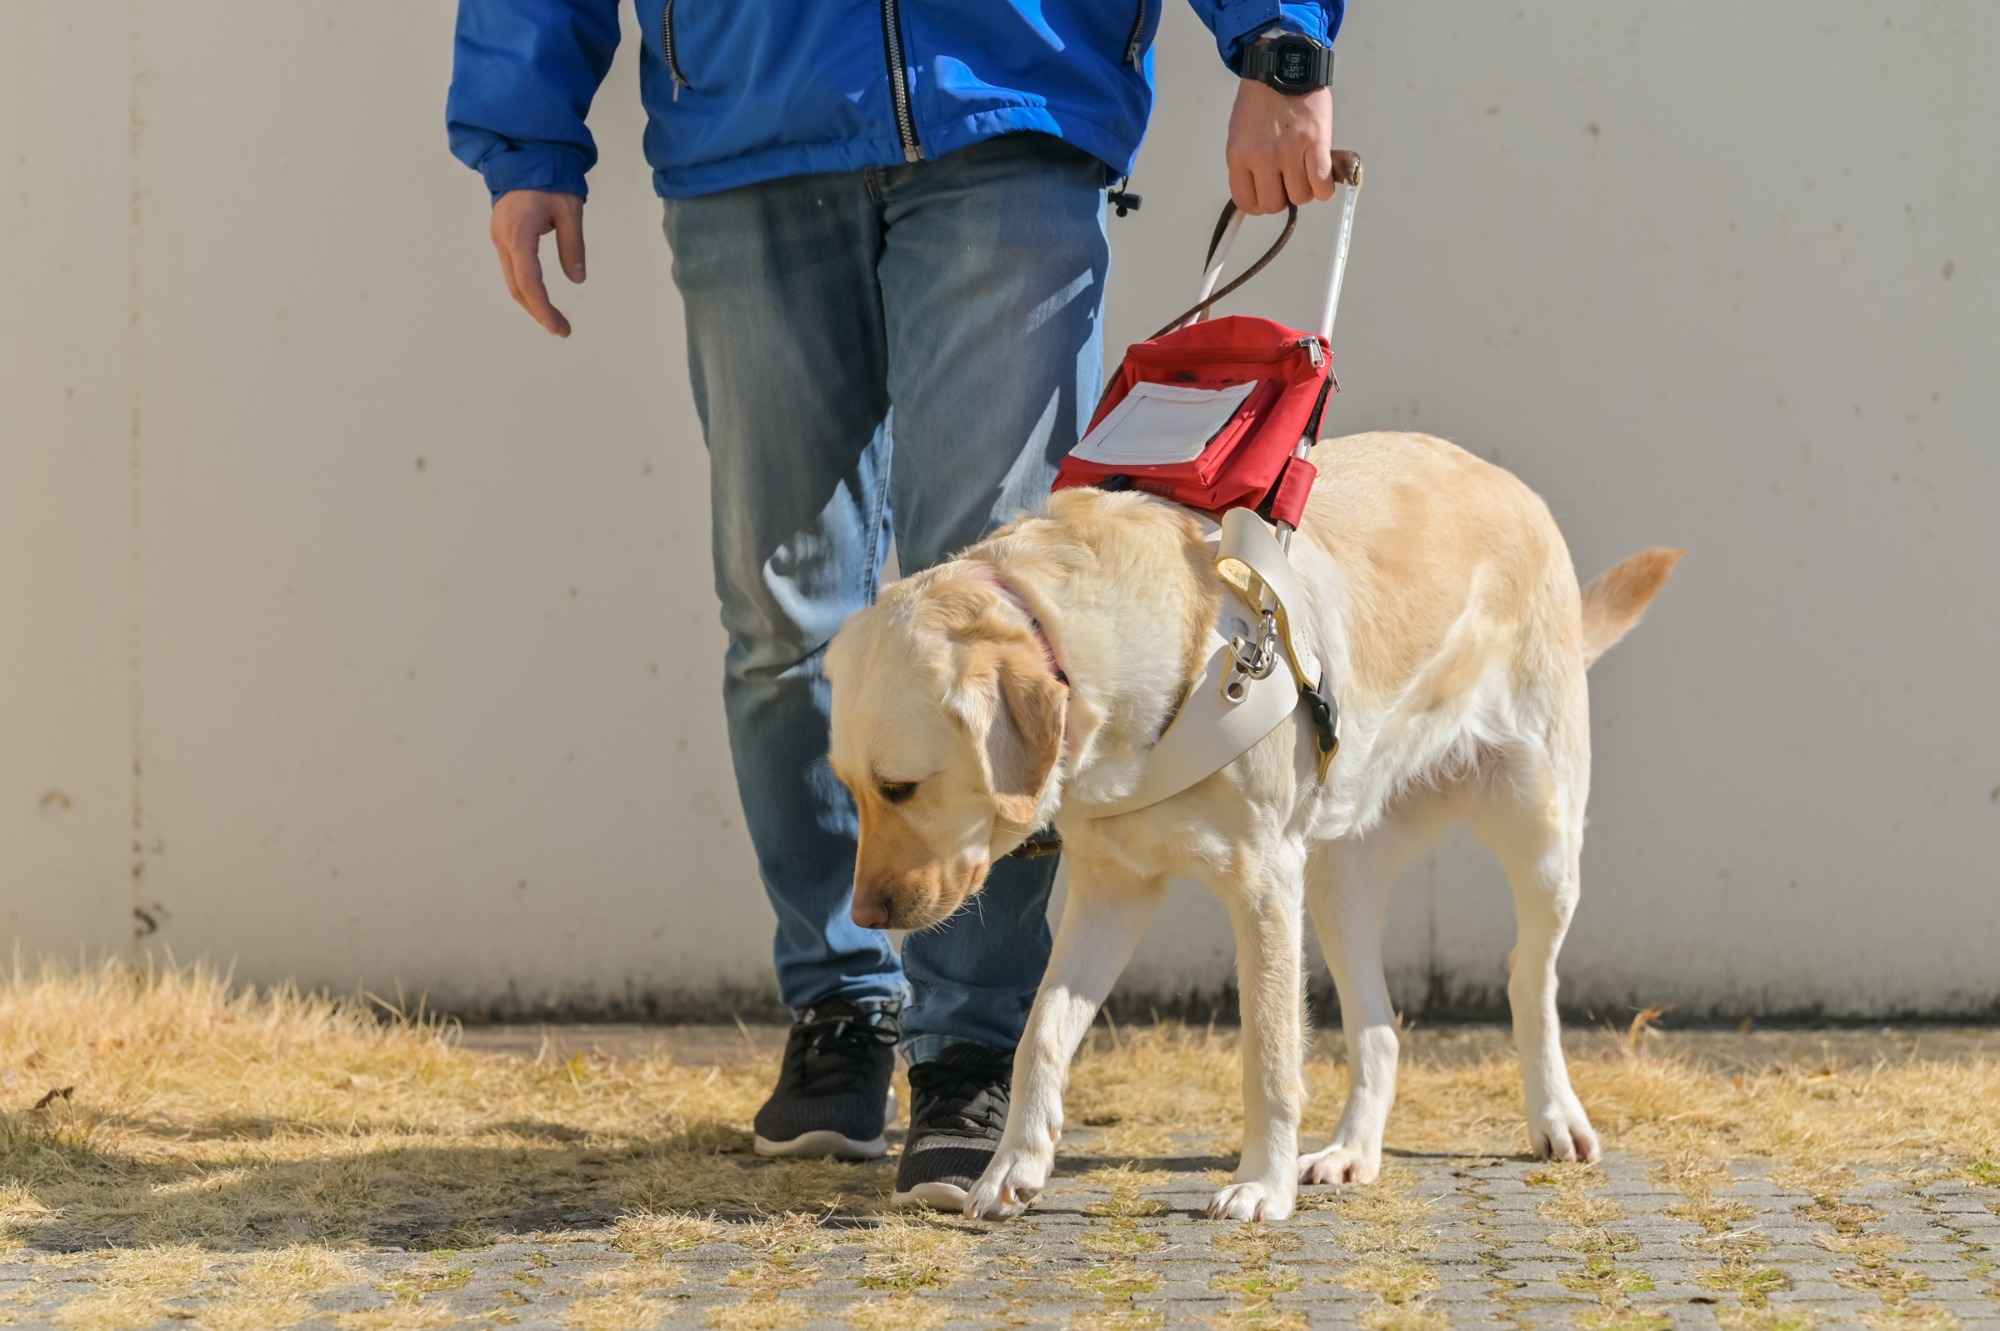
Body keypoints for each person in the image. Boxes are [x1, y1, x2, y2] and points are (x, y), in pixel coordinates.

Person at [448, 0, 1345, 1211]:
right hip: (746, 115)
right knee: (783, 622)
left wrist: (1279, 42)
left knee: (1003, 629)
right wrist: (525, 133)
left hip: (1011, 98)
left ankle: (970, 1044)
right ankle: (841, 1004)